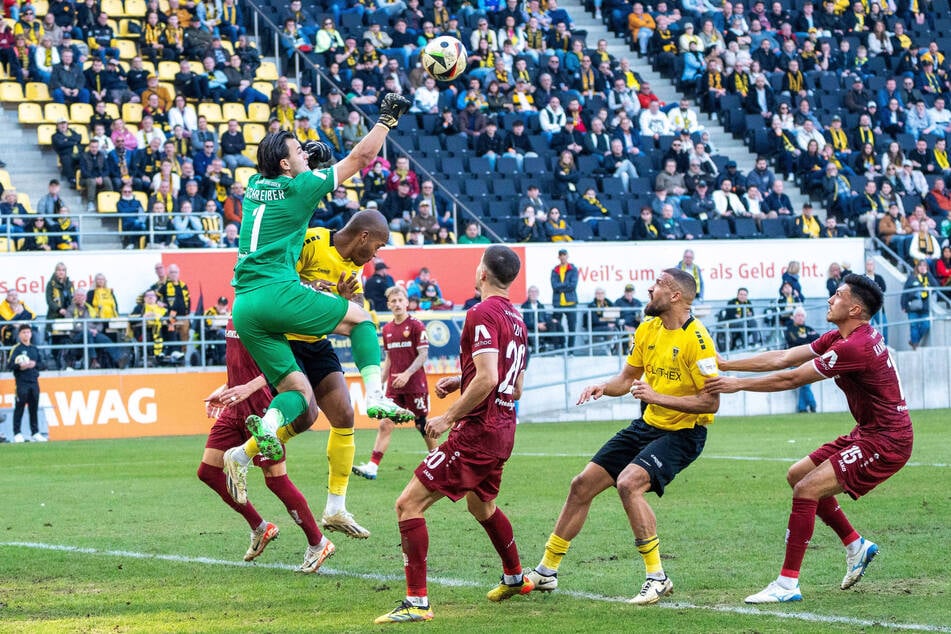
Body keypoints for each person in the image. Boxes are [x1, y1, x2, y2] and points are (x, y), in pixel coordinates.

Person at [221, 95, 415, 485]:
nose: (305, 154)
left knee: (295, 389)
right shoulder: (301, 188)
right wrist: (386, 121)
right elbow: (361, 158)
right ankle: (375, 395)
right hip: (276, 291)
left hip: (244, 307)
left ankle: (245, 451)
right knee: (360, 321)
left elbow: (285, 172)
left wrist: (306, 156)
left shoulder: (255, 184)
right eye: (298, 151)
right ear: (285, 164)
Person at [706, 274, 913, 604]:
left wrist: (738, 384)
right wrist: (726, 363)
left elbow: (791, 378)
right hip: (870, 432)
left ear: (855, 308)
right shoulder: (844, 335)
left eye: (839, 295)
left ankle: (787, 584)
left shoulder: (853, 347)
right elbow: (785, 357)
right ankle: (856, 545)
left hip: (888, 440)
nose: (830, 299)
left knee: (807, 489)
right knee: (797, 475)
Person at [524, 268, 719, 605]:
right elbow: (627, 378)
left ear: (675, 296)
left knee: (629, 484)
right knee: (581, 485)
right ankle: (547, 571)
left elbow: (710, 400)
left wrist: (657, 397)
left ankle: (657, 577)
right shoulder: (648, 328)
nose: (650, 288)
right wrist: (604, 386)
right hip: (648, 424)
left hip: (685, 432)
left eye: (658, 284)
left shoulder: (698, 339)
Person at [374, 245, 531, 624]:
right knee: (482, 506)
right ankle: (515, 577)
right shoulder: (517, 319)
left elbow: (491, 377)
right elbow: (515, 385)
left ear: (482, 273)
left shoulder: (480, 312)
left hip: (478, 431)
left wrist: (447, 418)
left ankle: (417, 602)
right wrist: (462, 378)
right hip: (504, 429)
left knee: (407, 504)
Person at [198, 324, 336, 573]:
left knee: (276, 480)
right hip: (235, 407)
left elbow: (286, 364)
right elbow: (241, 362)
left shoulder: (265, 313)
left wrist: (248, 388)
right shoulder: (237, 312)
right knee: (208, 472)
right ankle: (261, 528)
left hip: (261, 406)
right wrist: (224, 389)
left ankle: (318, 543)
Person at [353, 286, 436, 481]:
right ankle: (372, 466)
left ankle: (436, 462)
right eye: (394, 301)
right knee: (385, 424)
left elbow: (423, 354)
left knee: (422, 425)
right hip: (394, 387)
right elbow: (389, 359)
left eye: (400, 300)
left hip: (415, 384)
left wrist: (407, 374)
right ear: (389, 305)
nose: (397, 304)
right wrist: (379, 385)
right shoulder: (388, 329)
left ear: (407, 302)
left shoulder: (416, 326)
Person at [6, 324, 46, 443]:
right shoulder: (16, 349)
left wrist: (34, 365)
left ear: (31, 334)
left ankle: (35, 432)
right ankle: (17, 433)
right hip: (21, 382)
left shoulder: (34, 349)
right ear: (19, 335)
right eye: (24, 332)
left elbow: (43, 365)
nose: (26, 334)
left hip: (34, 382)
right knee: (20, 407)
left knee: (34, 408)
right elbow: (9, 365)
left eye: (28, 332)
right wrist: (20, 366)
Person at [784, 306, 819, 413]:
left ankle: (802, 408)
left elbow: (818, 340)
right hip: (796, 361)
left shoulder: (809, 329)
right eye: (798, 315)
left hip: (808, 361)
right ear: (794, 317)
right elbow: (794, 341)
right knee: (804, 384)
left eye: (802, 315)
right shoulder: (790, 329)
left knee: (804, 384)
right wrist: (807, 341)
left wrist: (805, 340)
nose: (800, 318)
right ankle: (812, 405)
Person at [902, 259, 936, 350]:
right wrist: (903, 305)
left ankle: (914, 341)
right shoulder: (912, 277)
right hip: (913, 307)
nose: (922, 267)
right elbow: (905, 292)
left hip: (925, 307)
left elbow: (936, 286)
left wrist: (928, 274)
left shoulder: (928, 277)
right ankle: (915, 345)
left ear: (927, 268)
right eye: (920, 265)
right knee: (914, 326)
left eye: (924, 266)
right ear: (917, 267)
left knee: (926, 325)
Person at [551, 248, 579, 349]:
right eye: (561, 255)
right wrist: (565, 286)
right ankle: (559, 348)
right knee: (556, 326)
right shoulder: (555, 270)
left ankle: (571, 350)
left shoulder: (573, 269)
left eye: (564, 255)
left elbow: (573, 285)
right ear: (558, 257)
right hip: (558, 303)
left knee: (572, 327)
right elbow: (554, 285)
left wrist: (561, 287)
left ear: (567, 256)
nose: (562, 257)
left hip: (570, 303)